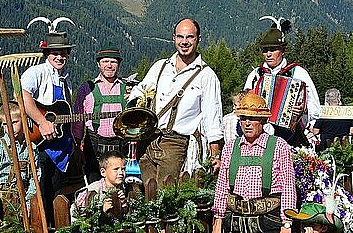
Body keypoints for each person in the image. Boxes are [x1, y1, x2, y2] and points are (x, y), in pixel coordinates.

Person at [128, 18, 223, 185]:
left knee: (166, 197)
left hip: (176, 143)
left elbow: (213, 117)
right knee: (144, 194)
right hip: (148, 139)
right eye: (180, 37)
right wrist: (135, 104)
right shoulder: (160, 66)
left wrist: (215, 155)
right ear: (174, 38)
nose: (184, 42)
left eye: (189, 37)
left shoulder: (207, 76)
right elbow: (140, 89)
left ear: (198, 39)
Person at [21, 31, 84, 223]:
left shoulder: (66, 79)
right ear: (46, 54)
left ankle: (55, 223)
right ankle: (43, 223)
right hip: (41, 142)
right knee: (44, 187)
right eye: (55, 53)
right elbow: (23, 98)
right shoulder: (36, 72)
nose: (59, 57)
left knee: (56, 188)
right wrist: (42, 121)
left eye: (63, 53)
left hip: (61, 142)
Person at [212, 93, 296, 233]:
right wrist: (218, 219)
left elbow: (288, 186)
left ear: (263, 121)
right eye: (243, 119)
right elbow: (222, 185)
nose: (247, 123)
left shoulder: (279, 145)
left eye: (252, 119)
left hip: (267, 220)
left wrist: (286, 223)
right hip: (235, 219)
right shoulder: (231, 147)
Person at [244, 24, 320, 146]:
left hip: (292, 137)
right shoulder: (255, 75)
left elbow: (315, 108)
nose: (268, 54)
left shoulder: (298, 73)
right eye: (265, 50)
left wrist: (302, 110)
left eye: (273, 50)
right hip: (259, 137)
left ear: (283, 50)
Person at [73, 44, 128, 182]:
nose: (109, 65)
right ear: (98, 64)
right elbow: (78, 120)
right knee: (94, 184)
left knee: (120, 184)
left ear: (119, 64)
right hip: (94, 144)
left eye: (113, 61)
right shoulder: (87, 88)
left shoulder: (128, 88)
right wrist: (77, 144)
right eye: (105, 61)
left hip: (121, 144)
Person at [0, 103, 40, 202]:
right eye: (6, 124)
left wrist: (29, 200)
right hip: (0, 198)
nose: (10, 127)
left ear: (24, 121)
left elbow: (36, 177)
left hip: (23, 197)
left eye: (14, 122)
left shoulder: (32, 149)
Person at [74, 150, 127, 219]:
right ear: (103, 172)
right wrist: (101, 210)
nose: (121, 173)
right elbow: (81, 218)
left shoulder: (123, 188)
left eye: (123, 169)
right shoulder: (91, 191)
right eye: (116, 169)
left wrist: (123, 203)